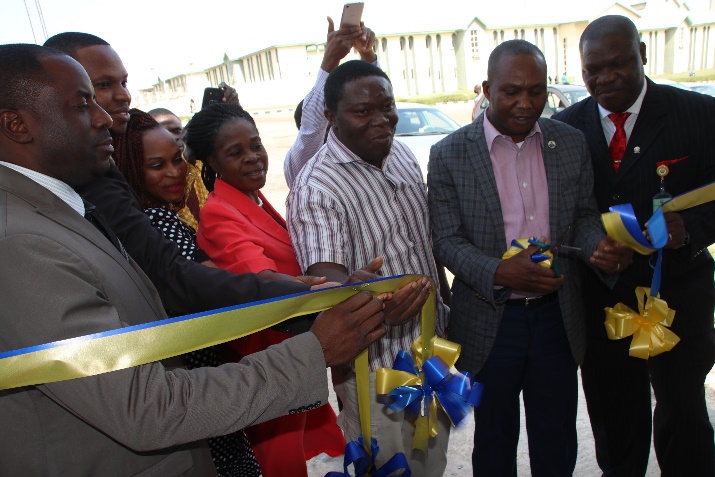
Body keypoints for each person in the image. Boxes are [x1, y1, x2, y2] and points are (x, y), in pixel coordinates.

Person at [0, 43, 389, 476]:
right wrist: (316, 348)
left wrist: (313, 297)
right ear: (17, 124)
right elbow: (143, 406)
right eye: (83, 102)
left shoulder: (64, 204)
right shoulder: (19, 241)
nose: (105, 117)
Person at [427, 39, 631, 476]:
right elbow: (445, 239)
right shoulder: (449, 154)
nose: (525, 103)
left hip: (557, 317)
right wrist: (500, 272)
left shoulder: (570, 143)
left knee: (555, 439)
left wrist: (596, 245)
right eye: (511, 91)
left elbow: (580, 217)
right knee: (495, 442)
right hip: (489, 321)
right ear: (487, 88)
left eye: (536, 91)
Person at [41, 32, 311, 317]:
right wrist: (311, 295)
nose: (123, 95)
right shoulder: (107, 189)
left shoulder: (105, 175)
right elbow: (172, 274)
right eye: (104, 85)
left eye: (124, 82)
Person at [553, 15, 715, 476]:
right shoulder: (564, 130)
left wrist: (691, 230)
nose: (604, 78)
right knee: (615, 422)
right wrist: (588, 249)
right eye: (592, 69)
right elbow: (554, 217)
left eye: (618, 64)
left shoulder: (700, 116)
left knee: (684, 415)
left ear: (642, 55)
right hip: (601, 299)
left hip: (679, 296)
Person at [287, 60, 450, 475]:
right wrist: (373, 304)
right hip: (375, 374)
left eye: (387, 107)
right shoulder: (316, 188)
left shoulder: (400, 154)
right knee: (393, 468)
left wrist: (448, 315)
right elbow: (329, 285)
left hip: (430, 351)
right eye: (362, 112)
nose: (381, 121)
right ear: (330, 117)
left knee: (431, 463)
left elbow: (424, 248)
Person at [187, 103, 345, 477]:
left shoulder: (251, 198)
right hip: (266, 357)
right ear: (213, 161)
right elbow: (262, 279)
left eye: (255, 145)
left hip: (286, 346)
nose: (253, 158)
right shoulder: (219, 211)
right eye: (236, 152)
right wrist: (340, 286)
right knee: (278, 460)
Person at [114, 108, 264, 476]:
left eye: (177, 159)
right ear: (131, 169)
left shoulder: (151, 218)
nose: (175, 172)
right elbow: (208, 287)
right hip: (198, 374)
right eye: (156, 165)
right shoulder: (158, 220)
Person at [284, 17, 376, 188]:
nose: (336, 131)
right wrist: (330, 59)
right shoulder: (302, 162)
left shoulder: (360, 153)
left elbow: (377, 100)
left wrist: (366, 52)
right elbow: (312, 127)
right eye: (329, 124)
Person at [148, 106, 209, 230]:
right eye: (157, 166)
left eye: (176, 130)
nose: (174, 173)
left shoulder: (198, 165)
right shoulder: (154, 216)